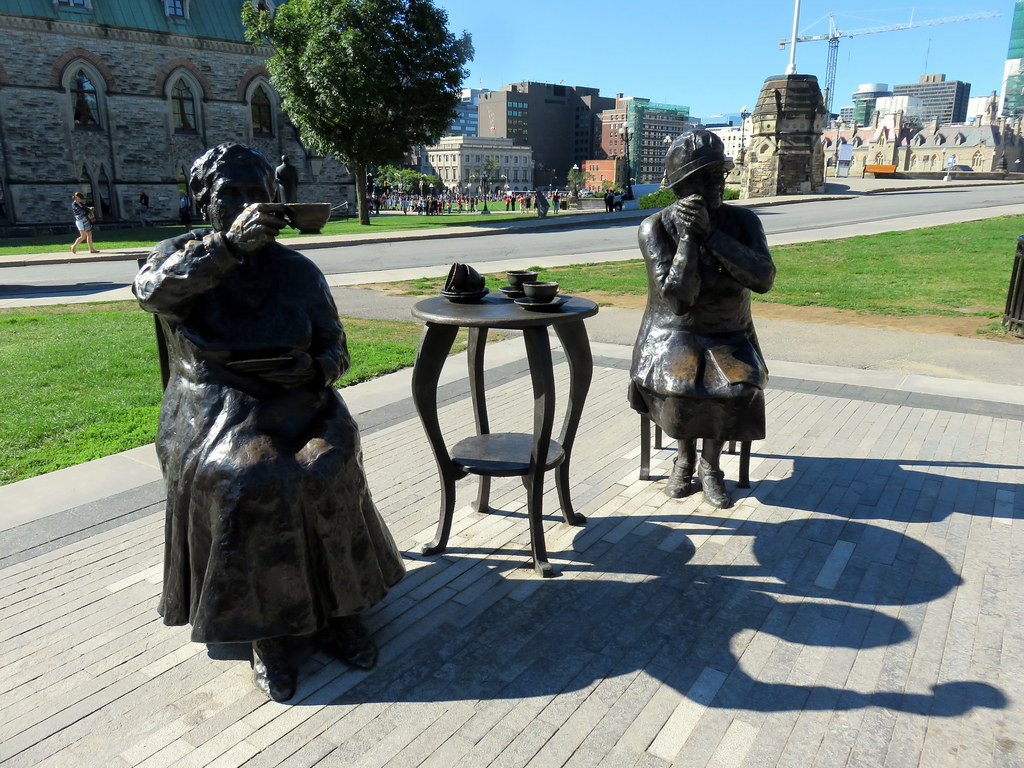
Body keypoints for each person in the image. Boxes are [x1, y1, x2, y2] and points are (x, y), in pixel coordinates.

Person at [133, 143, 405, 702]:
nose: (245, 205)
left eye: (256, 194)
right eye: (229, 194)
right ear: (204, 201)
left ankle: (342, 608)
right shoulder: (180, 255)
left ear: (276, 202)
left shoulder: (298, 271)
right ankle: (269, 632)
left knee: (328, 463)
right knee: (253, 478)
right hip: (215, 409)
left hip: (302, 401)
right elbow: (152, 293)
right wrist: (228, 248)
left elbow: (336, 348)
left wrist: (315, 368)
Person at [629, 129, 775, 509]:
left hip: (730, 333)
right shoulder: (655, 228)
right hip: (672, 334)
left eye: (718, 174)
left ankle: (711, 465)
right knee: (679, 388)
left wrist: (712, 235)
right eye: (702, 178)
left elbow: (763, 279)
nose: (715, 185)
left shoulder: (744, 222)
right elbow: (678, 301)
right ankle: (684, 458)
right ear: (680, 189)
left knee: (736, 389)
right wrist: (690, 239)